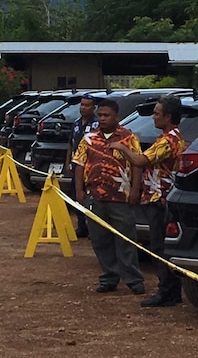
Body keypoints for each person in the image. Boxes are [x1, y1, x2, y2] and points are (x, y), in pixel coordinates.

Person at [109, 94, 184, 307]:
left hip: (160, 197)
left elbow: (141, 160)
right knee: (158, 244)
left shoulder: (168, 140)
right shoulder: (171, 137)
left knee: (159, 246)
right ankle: (170, 289)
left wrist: (122, 148)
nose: (153, 117)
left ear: (168, 117)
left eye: (157, 114)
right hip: (157, 195)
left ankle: (167, 290)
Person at [73, 98, 145, 295]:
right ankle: (109, 277)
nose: (102, 119)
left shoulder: (129, 138)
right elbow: (79, 164)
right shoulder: (89, 138)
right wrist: (79, 191)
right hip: (95, 197)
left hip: (121, 197)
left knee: (126, 239)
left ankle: (134, 280)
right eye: (100, 115)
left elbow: (137, 165)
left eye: (107, 115)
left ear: (116, 117)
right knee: (99, 239)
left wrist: (135, 190)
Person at [65, 93, 98, 238]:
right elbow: (71, 144)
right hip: (77, 166)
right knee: (76, 195)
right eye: (82, 104)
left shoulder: (97, 125)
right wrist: (68, 162)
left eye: (87, 105)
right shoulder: (76, 123)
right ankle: (81, 225)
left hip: (90, 167)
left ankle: (93, 228)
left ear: (94, 107)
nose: (83, 108)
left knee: (91, 197)